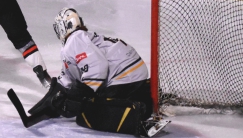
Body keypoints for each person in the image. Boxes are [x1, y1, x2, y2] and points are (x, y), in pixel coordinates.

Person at [27, 8, 164, 137]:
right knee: (85, 101)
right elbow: (66, 81)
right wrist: (50, 103)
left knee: (87, 112)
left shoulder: (75, 39)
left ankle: (136, 119)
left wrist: (78, 96)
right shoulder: (78, 40)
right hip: (132, 74)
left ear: (64, 26)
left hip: (124, 76)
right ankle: (145, 94)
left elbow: (97, 67)